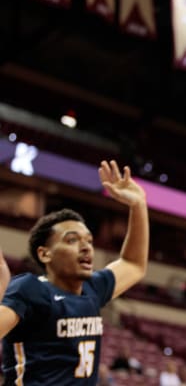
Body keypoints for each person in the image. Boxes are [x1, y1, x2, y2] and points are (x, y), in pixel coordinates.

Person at [0, 160, 149, 385]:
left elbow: (134, 264)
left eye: (89, 240)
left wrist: (138, 205)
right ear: (45, 254)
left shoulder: (93, 289)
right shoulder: (30, 289)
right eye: (72, 240)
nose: (86, 246)